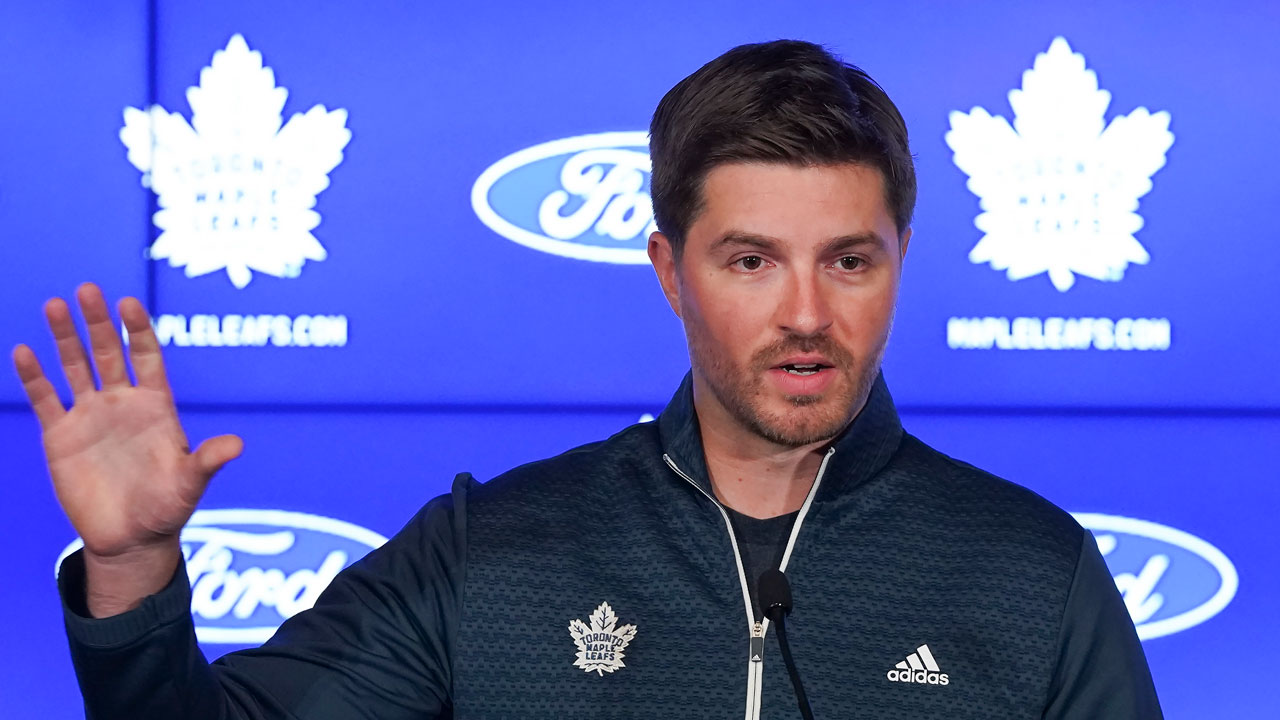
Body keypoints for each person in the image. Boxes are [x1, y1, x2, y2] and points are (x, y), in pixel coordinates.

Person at [13, 40, 1161, 719]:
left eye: (847, 261)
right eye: (750, 261)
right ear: (669, 269)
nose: (806, 313)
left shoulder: (1031, 573)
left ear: (898, 262)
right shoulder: (491, 553)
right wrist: (133, 569)